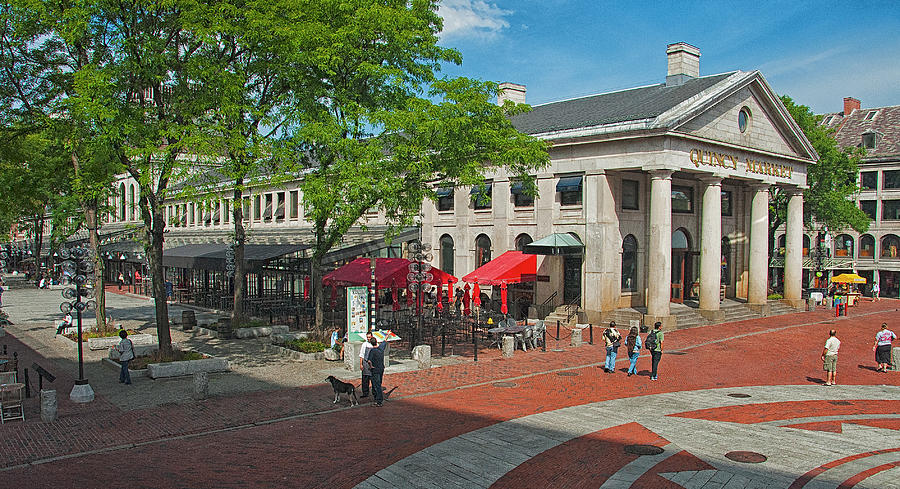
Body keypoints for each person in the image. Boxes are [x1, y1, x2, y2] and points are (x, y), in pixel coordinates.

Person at [366, 336, 388, 407]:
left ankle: (379, 400)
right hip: (381, 368)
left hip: (375, 370)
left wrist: (371, 366)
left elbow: (369, 361)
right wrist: (387, 335)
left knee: (376, 385)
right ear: (376, 342)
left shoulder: (372, 351)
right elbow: (385, 340)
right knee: (379, 383)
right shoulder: (381, 348)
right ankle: (378, 398)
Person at [359, 331, 375, 398]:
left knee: (373, 380)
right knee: (365, 380)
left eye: (369, 337)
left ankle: (375, 393)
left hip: (373, 364)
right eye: (367, 337)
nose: (368, 338)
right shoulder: (364, 344)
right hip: (365, 364)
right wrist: (361, 364)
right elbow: (361, 355)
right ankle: (365, 393)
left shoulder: (374, 344)